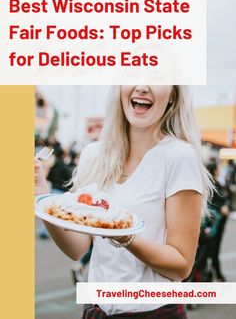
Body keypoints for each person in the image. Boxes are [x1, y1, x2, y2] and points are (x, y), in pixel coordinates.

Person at [35, 85, 213, 319]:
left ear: (173, 94)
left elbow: (181, 264)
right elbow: (77, 248)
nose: (142, 86)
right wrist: (41, 196)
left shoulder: (179, 157)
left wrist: (124, 236)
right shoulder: (93, 155)